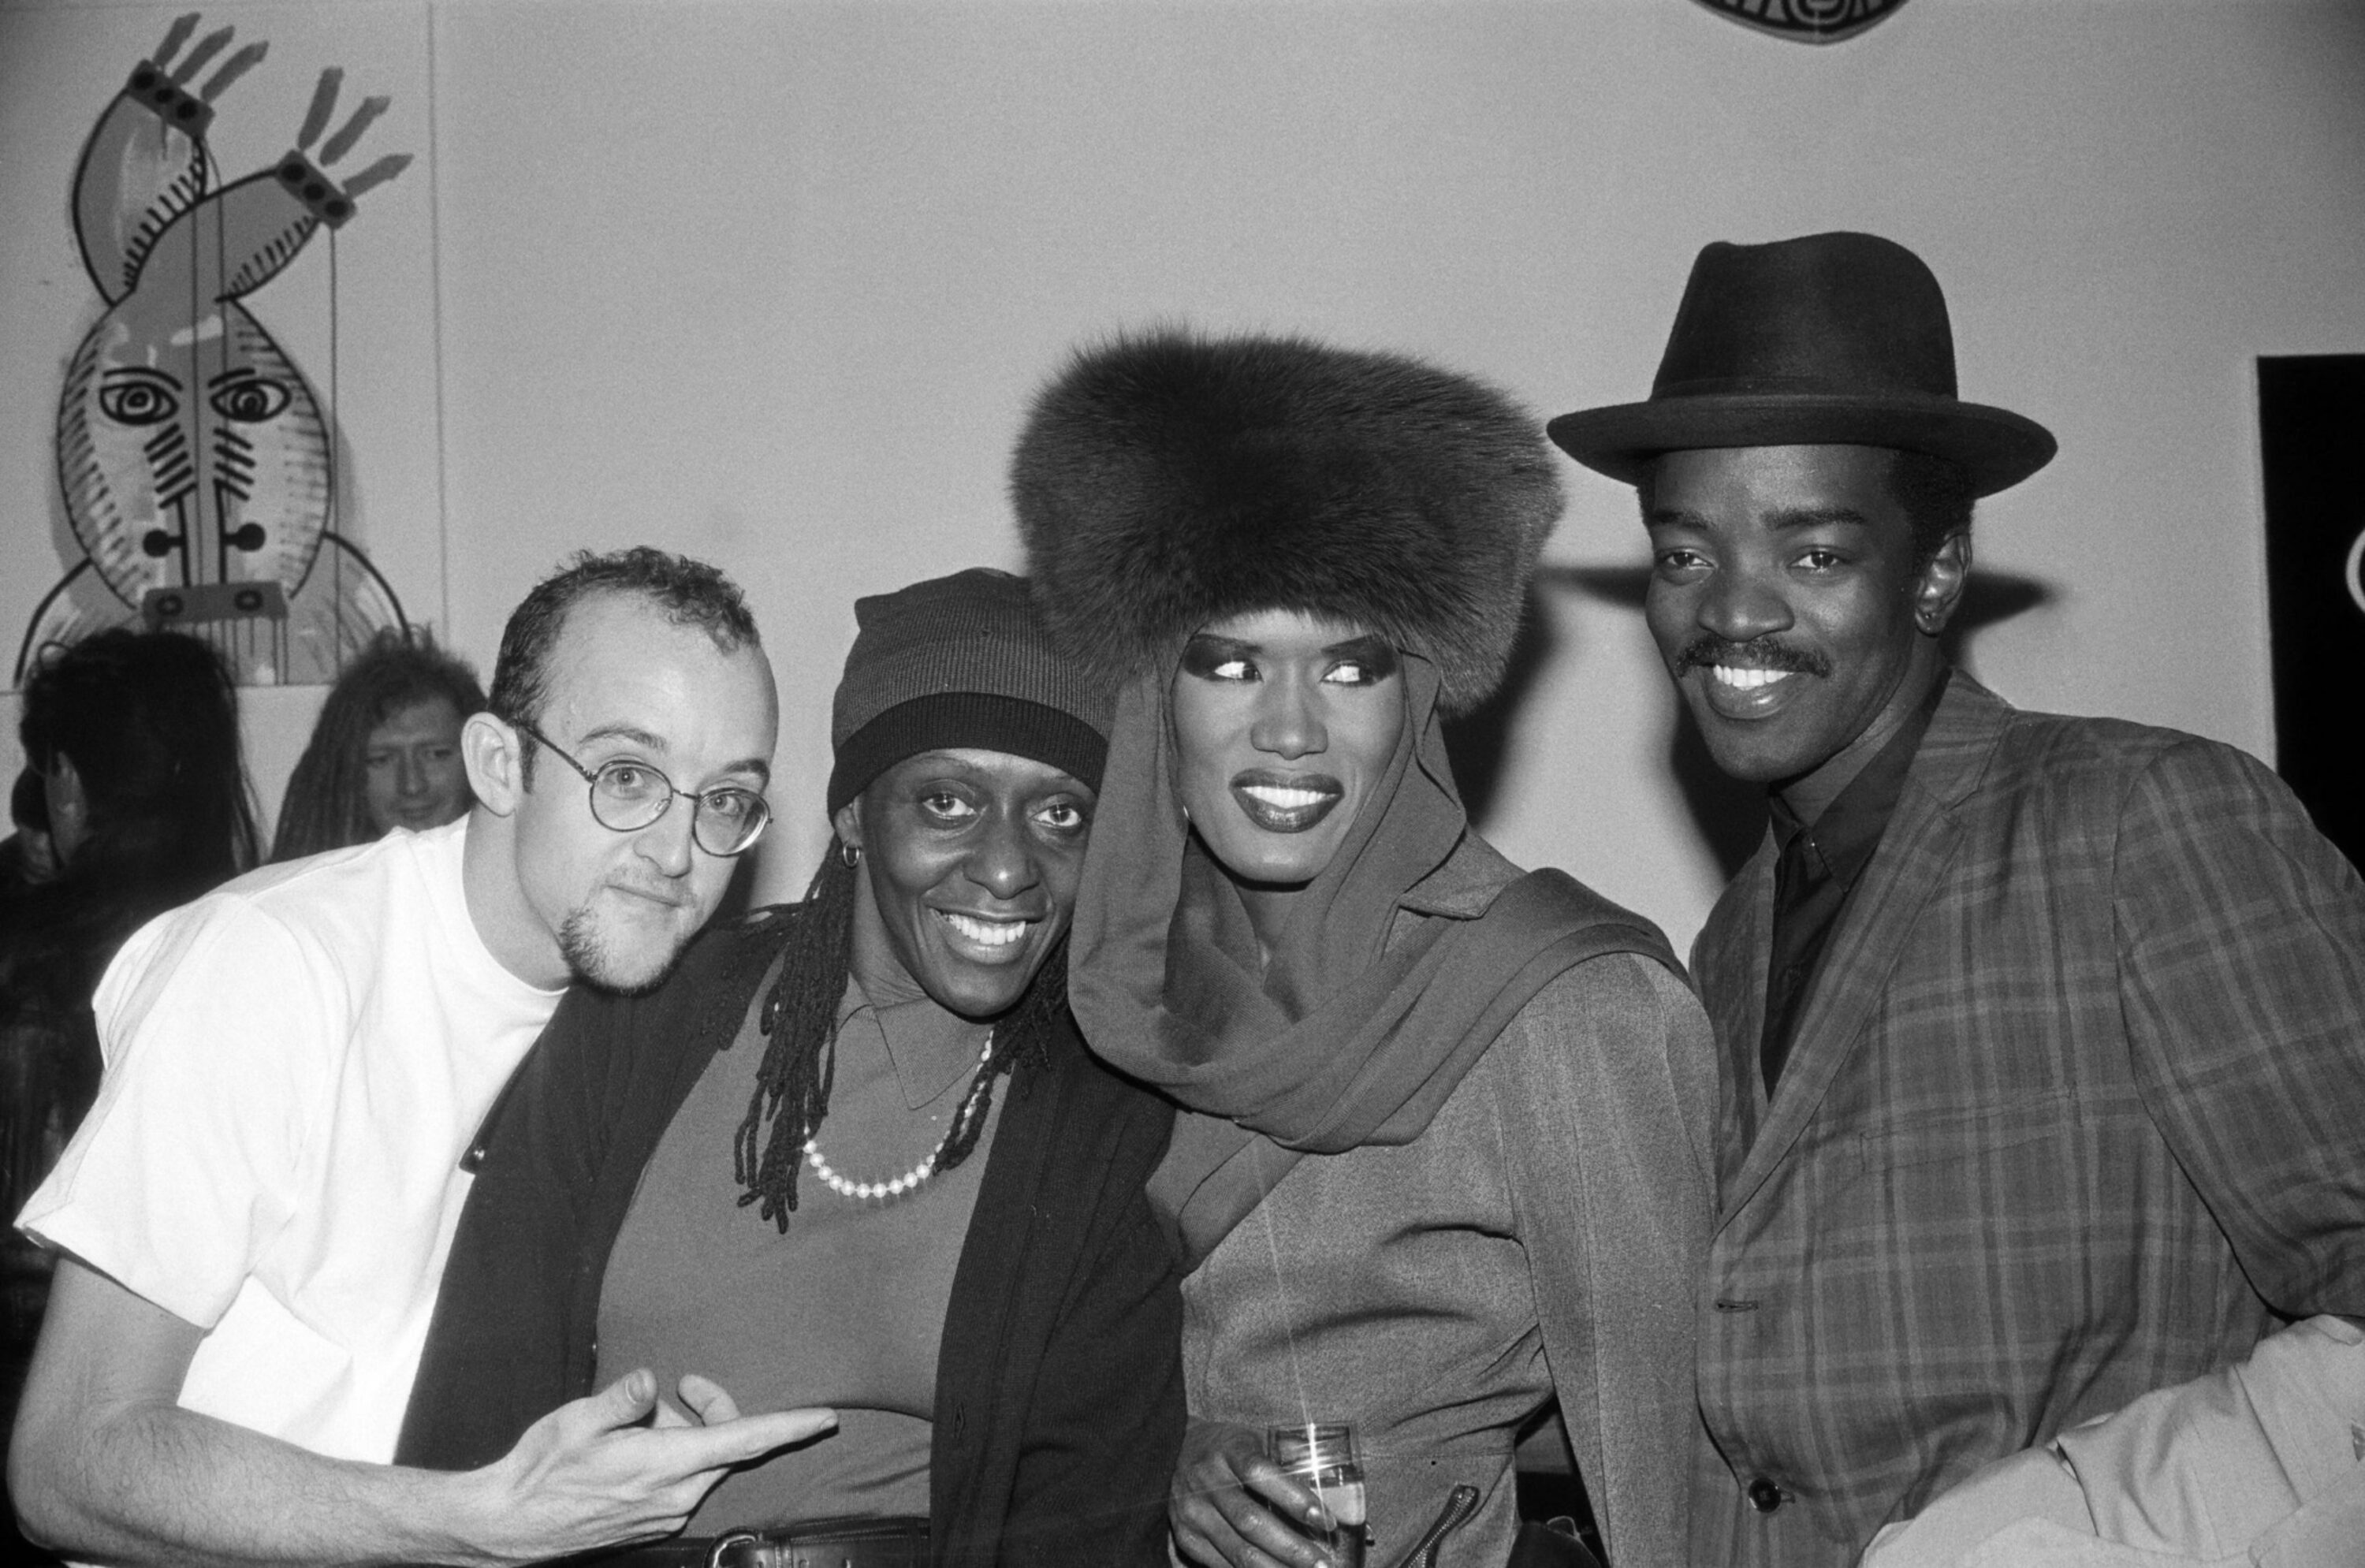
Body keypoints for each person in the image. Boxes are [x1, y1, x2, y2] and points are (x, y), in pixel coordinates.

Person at [1546, 230, 2365, 1566]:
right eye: (1684, 555)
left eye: (1812, 553)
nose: (1730, 611)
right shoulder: (1733, 932)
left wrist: (2040, 1539)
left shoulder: (2144, 817)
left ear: (1935, 570)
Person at [1015, 330, 1718, 1568]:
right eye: (1229, 662)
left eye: (1350, 667)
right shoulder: (1090, 985)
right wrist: (1164, 1455)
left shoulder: (1562, 999)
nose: (1290, 730)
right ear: (1152, 699)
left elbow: (1666, 1467)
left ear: (1419, 694)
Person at [9, 549, 834, 1567]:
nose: (678, 853)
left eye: (722, 800)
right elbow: (66, 1457)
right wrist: (467, 1524)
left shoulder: (651, 1017)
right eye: (627, 777)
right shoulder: (277, 966)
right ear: (497, 765)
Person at [398, 566, 1185, 1566]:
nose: (1005, 868)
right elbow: (472, 1423)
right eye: (946, 800)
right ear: (854, 812)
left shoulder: (1101, 1121)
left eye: (1062, 813)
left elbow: (1089, 1526)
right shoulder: (646, 1021)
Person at [2, 631, 256, 1443]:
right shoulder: (269, 943)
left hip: (35, 1399)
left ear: (66, 782)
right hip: (225, 1414)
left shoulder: (27, 967)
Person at [272, 627, 487, 861]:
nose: (412, 785)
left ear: (481, 757)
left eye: (436, 754)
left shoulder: (520, 886)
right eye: (381, 760)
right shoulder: (297, 894)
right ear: (341, 774)